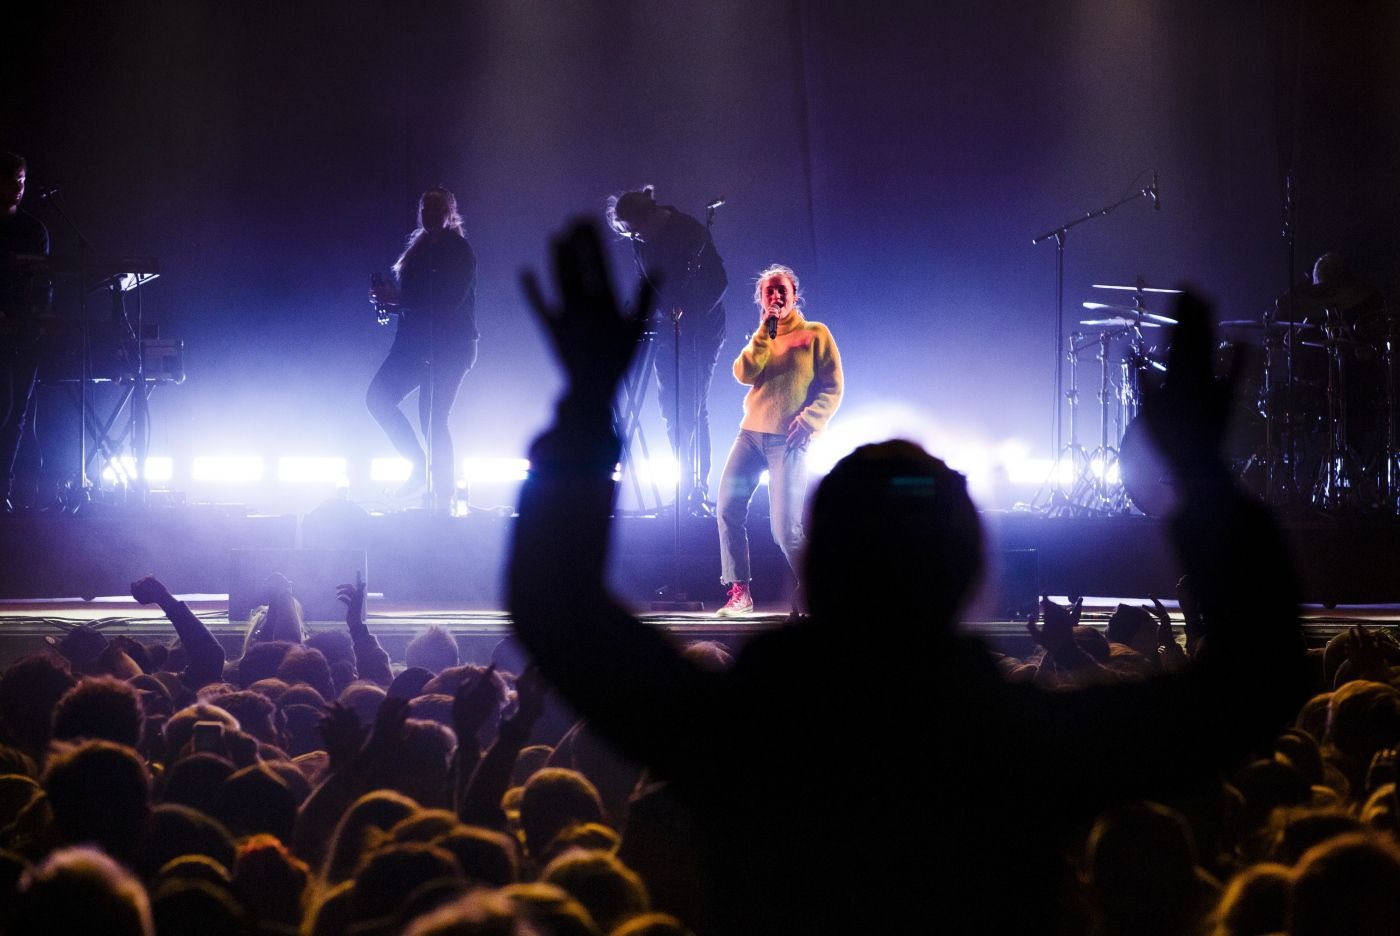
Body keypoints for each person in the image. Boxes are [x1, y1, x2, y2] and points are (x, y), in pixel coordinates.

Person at [509, 220, 1310, 935]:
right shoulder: (1020, 747)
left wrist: (586, 406)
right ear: (969, 574)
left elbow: (557, 609)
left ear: (816, 564)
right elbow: (1255, 679)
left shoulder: (742, 735)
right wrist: (1200, 478)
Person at [713, 265, 842, 616]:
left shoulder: (816, 334)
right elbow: (743, 373)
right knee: (726, 508)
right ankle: (740, 592)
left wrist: (811, 419)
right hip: (751, 435)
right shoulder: (764, 336)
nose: (776, 295)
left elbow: (833, 387)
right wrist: (764, 333)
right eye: (769, 291)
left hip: (788, 440)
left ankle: (817, 592)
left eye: (781, 289)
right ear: (761, 299)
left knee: (786, 531)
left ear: (794, 294)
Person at [606, 186, 727, 515]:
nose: (635, 238)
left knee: (691, 405)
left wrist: (691, 310)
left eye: (635, 230)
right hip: (667, 332)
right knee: (671, 407)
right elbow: (650, 284)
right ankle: (685, 486)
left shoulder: (690, 231)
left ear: (648, 216)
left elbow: (719, 280)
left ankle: (694, 488)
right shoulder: (640, 240)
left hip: (701, 329)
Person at [366, 187, 477, 510]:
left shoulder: (459, 251)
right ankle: (418, 467)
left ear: (450, 213)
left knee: (432, 417)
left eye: (436, 207)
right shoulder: (418, 250)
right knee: (379, 398)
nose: (429, 213)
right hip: (414, 346)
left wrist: (399, 300)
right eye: (425, 207)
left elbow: (446, 302)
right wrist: (390, 300)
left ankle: (443, 495)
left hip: (450, 347)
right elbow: (415, 303)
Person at [0, 152, 51, 513]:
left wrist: (37, 319)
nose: (18, 188)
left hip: (25, 333)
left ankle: (4, 488)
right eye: (11, 180)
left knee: (18, 412)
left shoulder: (34, 229)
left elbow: (45, 281)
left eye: (22, 180)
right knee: (3, 404)